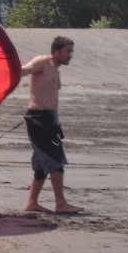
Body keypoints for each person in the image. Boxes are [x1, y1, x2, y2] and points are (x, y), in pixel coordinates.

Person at [20, 36, 83, 214]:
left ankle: (32, 203)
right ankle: (61, 203)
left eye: (71, 51)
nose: (70, 55)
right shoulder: (42, 62)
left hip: (50, 118)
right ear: (56, 51)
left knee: (42, 164)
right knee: (56, 160)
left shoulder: (56, 69)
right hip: (39, 118)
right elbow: (21, 71)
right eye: (67, 52)